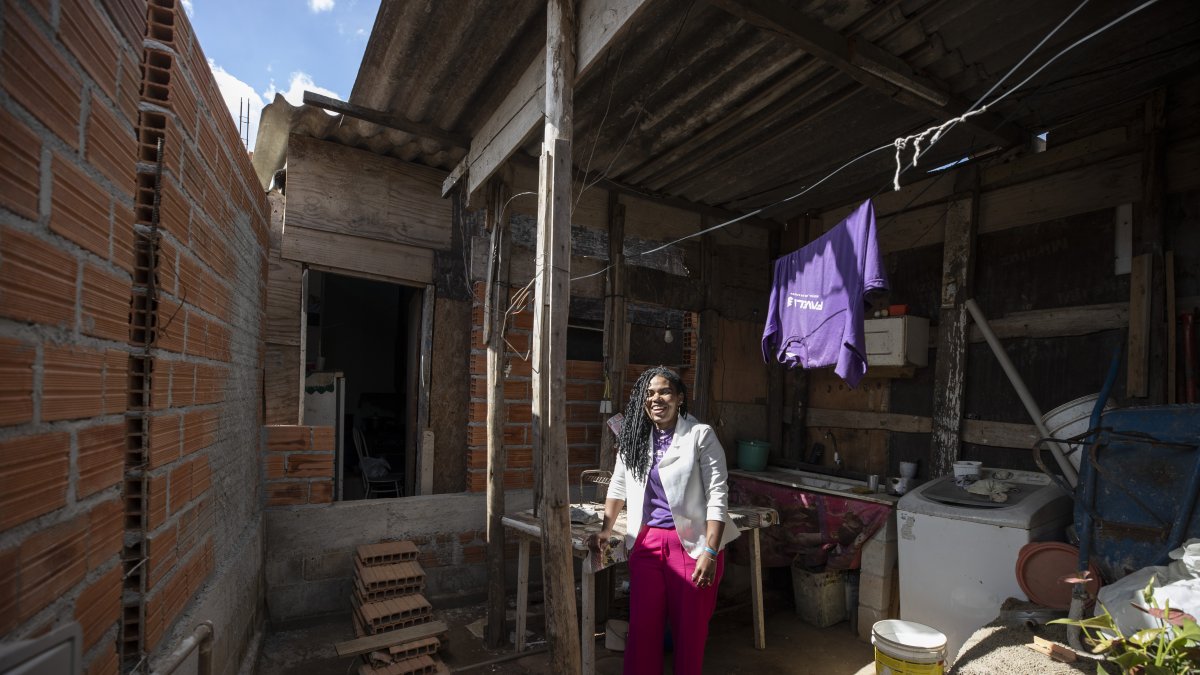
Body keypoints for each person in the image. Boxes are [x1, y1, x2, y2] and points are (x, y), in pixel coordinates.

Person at [586, 366, 740, 675]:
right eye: (650, 393)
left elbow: (717, 495)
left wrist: (710, 552)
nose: (657, 398)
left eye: (665, 391)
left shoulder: (700, 435)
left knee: (689, 636)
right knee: (643, 632)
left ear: (680, 398)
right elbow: (618, 484)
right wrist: (605, 528)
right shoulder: (635, 439)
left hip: (693, 546)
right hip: (647, 544)